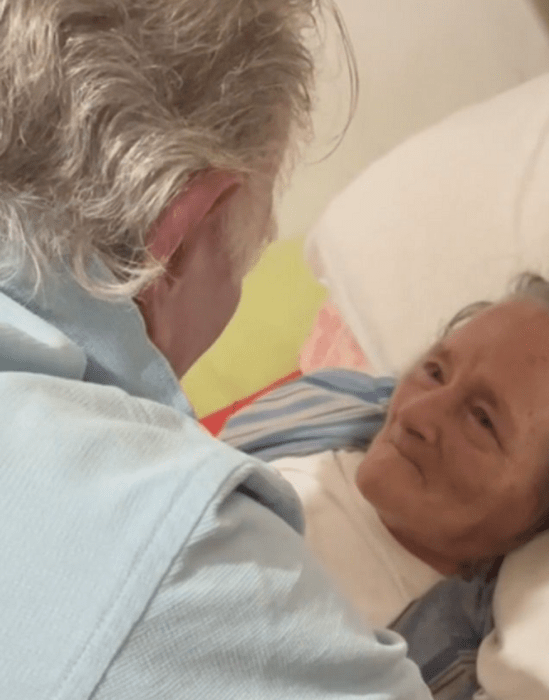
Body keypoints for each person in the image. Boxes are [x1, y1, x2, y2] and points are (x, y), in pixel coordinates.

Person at [0, 2, 434, 699]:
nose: (430, 407)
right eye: (248, 256)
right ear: (183, 238)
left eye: (486, 419)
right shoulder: (182, 555)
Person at [220, 272, 549, 628]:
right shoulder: (321, 403)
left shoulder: (420, 660)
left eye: (483, 420)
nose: (416, 413)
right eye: (435, 371)